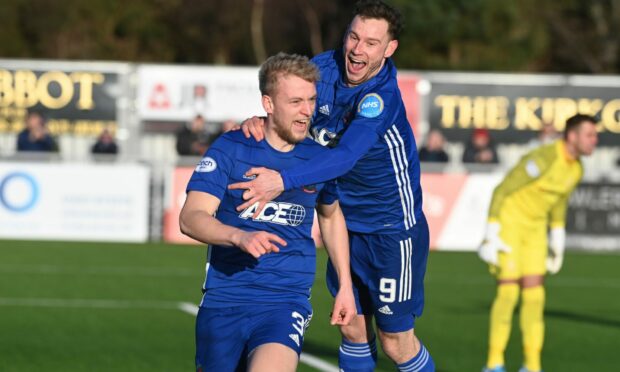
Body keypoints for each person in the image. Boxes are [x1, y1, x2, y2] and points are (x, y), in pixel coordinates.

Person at [229, 1, 435, 371]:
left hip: (390, 230)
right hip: (341, 221)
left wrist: (282, 179)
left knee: (395, 343)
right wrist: (262, 121)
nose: (357, 49)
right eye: (353, 37)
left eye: (371, 43)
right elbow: (290, 110)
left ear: (388, 50)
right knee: (351, 326)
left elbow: (345, 156)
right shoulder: (321, 70)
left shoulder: (379, 97)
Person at [179, 53, 356, 372]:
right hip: (225, 297)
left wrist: (345, 285)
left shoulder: (319, 158)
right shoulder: (231, 148)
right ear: (268, 104)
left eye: (312, 100)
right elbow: (191, 217)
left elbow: (330, 216)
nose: (307, 112)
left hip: (285, 300)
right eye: (296, 101)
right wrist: (238, 236)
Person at [478, 114, 598, 372]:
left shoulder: (577, 168)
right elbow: (502, 190)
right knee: (508, 294)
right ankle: (494, 363)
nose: (594, 141)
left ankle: (532, 366)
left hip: (534, 233)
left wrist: (557, 240)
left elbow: (559, 204)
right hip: (509, 225)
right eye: (589, 135)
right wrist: (490, 234)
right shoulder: (543, 158)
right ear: (573, 136)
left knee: (535, 298)